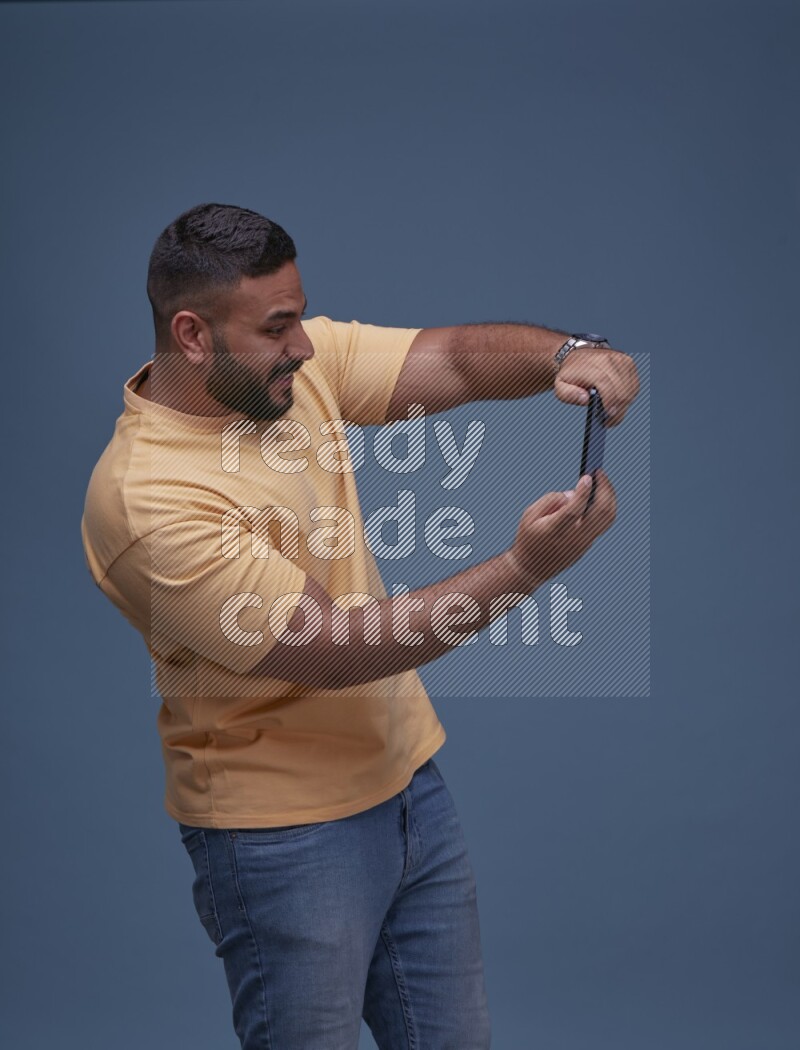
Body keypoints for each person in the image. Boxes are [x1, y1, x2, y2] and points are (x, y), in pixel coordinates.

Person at [81, 202, 638, 1049]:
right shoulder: (150, 501)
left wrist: (568, 355)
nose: (303, 346)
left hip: (409, 788)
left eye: (299, 315)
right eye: (277, 326)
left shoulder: (287, 374)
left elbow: (450, 358)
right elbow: (335, 651)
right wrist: (527, 569)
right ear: (194, 336)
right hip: (283, 840)